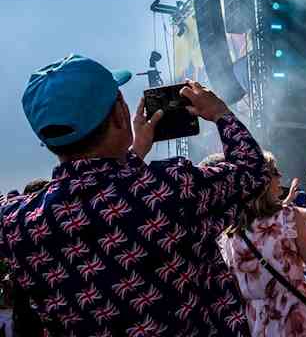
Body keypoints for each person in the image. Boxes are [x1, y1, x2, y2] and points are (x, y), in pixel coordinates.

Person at [0, 55, 269, 336]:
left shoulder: (17, 223)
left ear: (46, 139)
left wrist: (133, 155)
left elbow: (102, 199)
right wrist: (219, 113)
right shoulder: (173, 187)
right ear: (119, 114)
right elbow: (253, 171)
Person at [219, 152, 306, 336]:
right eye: (274, 172)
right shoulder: (287, 218)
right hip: (297, 321)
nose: (280, 176)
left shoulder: (229, 235)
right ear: (261, 182)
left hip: (257, 325)